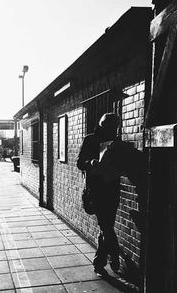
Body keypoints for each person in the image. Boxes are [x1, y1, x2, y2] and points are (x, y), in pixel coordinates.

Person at [77, 112, 121, 277]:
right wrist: (91, 163)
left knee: (107, 226)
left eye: (114, 129)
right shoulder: (90, 139)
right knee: (106, 226)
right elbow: (80, 163)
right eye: (109, 128)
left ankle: (100, 262)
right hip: (96, 190)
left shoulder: (116, 141)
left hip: (112, 188)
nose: (112, 131)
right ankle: (113, 255)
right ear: (102, 126)